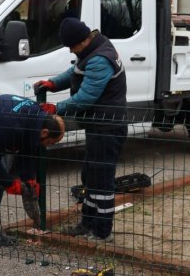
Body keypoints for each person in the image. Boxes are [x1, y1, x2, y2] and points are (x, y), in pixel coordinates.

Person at [34, 18, 127, 243]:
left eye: (71, 46)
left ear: (81, 41)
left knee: (102, 180)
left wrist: (57, 107)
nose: (70, 50)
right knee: (91, 175)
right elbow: (75, 71)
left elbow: (85, 98)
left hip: (108, 127)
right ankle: (87, 223)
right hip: (98, 126)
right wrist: (54, 83)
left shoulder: (100, 60)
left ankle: (102, 232)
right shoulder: (94, 48)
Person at [0, 94, 66, 246]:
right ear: (44, 132)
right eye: (51, 142)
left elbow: (29, 146)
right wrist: (9, 183)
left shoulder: (36, 116)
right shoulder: (12, 125)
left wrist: (29, 178)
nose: (47, 146)